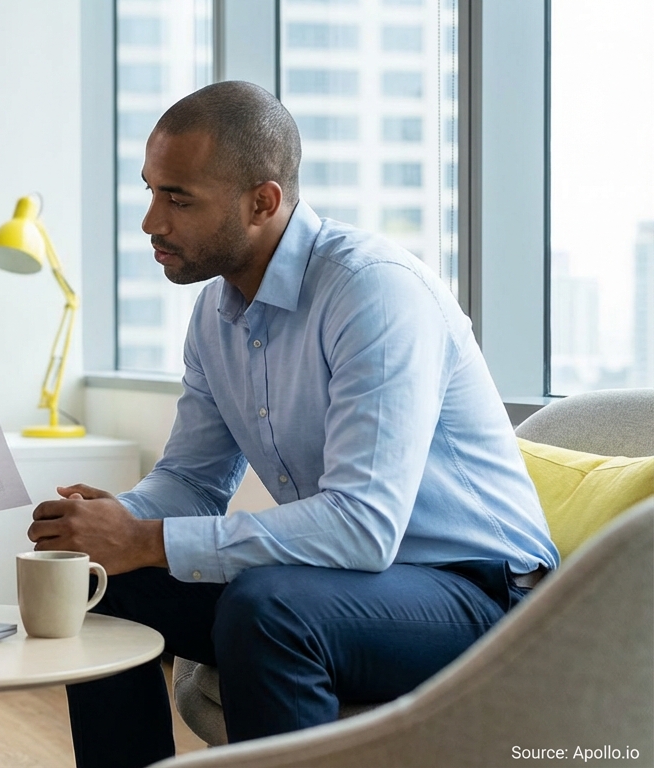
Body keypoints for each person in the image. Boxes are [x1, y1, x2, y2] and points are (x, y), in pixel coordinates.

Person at [30, 81, 559, 768]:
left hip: (476, 595)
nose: (150, 222)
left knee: (270, 607)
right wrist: (110, 526)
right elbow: (192, 479)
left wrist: (149, 537)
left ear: (263, 202)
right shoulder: (217, 316)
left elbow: (363, 526)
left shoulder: (372, 292)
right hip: (354, 582)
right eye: (151, 191)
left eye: (178, 198)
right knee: (104, 581)